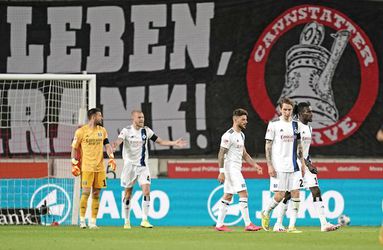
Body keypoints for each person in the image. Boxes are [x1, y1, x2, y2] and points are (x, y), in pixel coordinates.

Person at [113, 110, 187, 229]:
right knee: (128, 194)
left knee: (146, 191)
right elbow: (118, 141)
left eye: (143, 117)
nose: (142, 119)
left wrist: (175, 143)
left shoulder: (146, 130)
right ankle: (126, 221)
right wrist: (114, 145)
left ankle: (144, 220)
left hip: (143, 167)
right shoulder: (126, 130)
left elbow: (160, 141)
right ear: (133, 119)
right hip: (129, 167)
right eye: (139, 117)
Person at [276, 102, 340, 232]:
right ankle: (278, 223)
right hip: (294, 164)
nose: (311, 114)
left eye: (311, 111)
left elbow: (304, 150)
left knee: (315, 190)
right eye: (308, 112)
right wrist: (308, 164)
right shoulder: (294, 127)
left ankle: (324, 224)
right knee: (288, 194)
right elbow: (293, 149)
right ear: (299, 114)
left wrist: (308, 162)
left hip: (305, 163)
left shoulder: (309, 128)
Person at [261, 97, 306, 233]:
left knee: (295, 193)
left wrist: (302, 163)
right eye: (284, 109)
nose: (287, 112)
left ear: (292, 110)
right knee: (280, 195)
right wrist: (269, 165)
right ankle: (266, 211)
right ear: (280, 110)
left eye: (289, 110)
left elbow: (299, 146)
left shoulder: (296, 125)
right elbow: (268, 146)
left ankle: (291, 226)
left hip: (294, 165)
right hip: (279, 165)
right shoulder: (273, 124)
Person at [215, 108, 263, 232]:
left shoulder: (241, 135)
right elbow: (221, 154)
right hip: (231, 169)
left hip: (235, 169)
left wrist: (255, 165)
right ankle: (248, 224)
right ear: (235, 119)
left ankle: (219, 225)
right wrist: (221, 171)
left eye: (246, 119)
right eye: (243, 119)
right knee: (244, 193)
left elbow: (244, 154)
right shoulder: (228, 135)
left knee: (228, 196)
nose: (246, 121)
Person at [71, 108, 116, 229]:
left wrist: (111, 157)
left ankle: (93, 222)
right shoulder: (81, 132)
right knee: (85, 192)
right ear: (93, 117)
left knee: (96, 194)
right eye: (100, 116)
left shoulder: (102, 131)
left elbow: (107, 145)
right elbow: (74, 148)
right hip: (87, 167)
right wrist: (74, 163)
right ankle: (81, 221)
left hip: (100, 168)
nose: (101, 118)